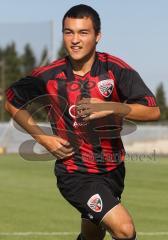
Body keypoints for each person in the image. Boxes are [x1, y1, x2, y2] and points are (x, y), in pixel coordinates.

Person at [5, 4, 160, 240]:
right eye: (69, 32)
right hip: (75, 173)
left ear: (98, 36)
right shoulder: (49, 75)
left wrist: (111, 107)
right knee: (125, 230)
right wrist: (42, 137)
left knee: (92, 237)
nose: (75, 40)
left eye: (83, 33)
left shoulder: (115, 69)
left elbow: (152, 110)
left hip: (113, 170)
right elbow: (11, 101)